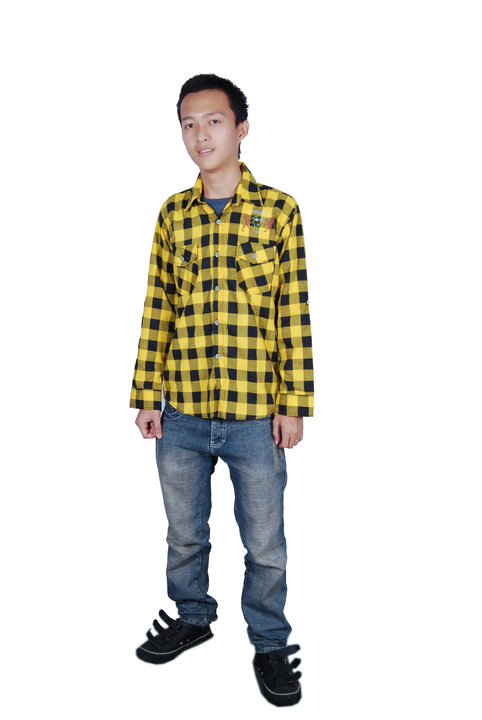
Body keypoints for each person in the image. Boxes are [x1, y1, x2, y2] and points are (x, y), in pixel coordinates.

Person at [129, 73, 314, 707]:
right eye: (188, 123)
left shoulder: (279, 211)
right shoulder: (172, 215)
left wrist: (293, 405)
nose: (200, 134)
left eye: (213, 120)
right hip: (180, 410)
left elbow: (293, 311)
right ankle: (192, 616)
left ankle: (270, 642)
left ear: (240, 128)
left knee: (265, 542)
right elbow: (158, 305)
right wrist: (146, 393)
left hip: (255, 415)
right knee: (185, 532)